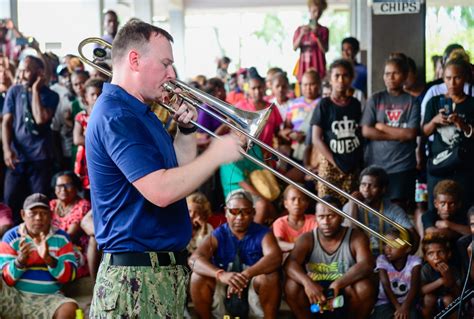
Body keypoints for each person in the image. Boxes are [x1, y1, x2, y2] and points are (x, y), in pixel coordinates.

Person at [86, 19, 241, 318]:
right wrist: (215, 154)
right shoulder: (117, 116)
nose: (172, 74)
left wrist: (185, 133)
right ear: (134, 60)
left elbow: (177, 174)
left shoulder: (140, 111)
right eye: (165, 63)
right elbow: (161, 191)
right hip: (136, 279)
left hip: (155, 274)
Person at [189, 189, 282, 319]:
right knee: (197, 277)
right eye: (234, 211)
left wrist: (245, 275)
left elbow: (275, 258)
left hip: (251, 284)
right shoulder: (218, 234)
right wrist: (220, 274)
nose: (239, 217)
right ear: (226, 212)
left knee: (271, 276)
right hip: (224, 284)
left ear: (253, 212)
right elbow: (194, 260)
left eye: (246, 211)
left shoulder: (263, 233)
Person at [284, 195, 376, 319]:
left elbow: (367, 264)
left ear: (342, 217)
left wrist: (338, 284)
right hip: (316, 291)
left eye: (331, 216)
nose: (326, 222)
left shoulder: (356, 237)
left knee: (364, 287)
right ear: (315, 218)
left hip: (345, 290)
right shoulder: (307, 238)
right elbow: (290, 263)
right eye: (321, 217)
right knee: (291, 286)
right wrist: (308, 283)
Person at [0, 193, 78, 318]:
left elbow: (71, 276)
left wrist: (48, 259)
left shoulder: (61, 238)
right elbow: (6, 279)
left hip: (49, 299)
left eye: (44, 213)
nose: (38, 218)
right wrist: (20, 261)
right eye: (33, 213)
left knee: (69, 309)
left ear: (51, 215)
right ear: (23, 215)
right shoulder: (11, 237)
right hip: (15, 297)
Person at [2, 55, 59, 223]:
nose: (21, 74)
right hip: (17, 156)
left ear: (39, 72)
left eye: (26, 71)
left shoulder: (51, 95)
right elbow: (6, 122)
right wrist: (7, 149)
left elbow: (40, 118)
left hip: (40, 157)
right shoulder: (14, 91)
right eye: (20, 70)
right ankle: (11, 243)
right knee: (11, 200)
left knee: (37, 202)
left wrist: (34, 90)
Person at [361, 54, 420, 211]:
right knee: (374, 210)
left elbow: (410, 134)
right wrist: (398, 135)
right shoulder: (375, 99)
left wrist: (382, 127)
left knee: (401, 211)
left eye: (395, 73)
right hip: (376, 164)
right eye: (387, 73)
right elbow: (366, 131)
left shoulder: (412, 101)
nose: (390, 77)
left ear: (405, 76)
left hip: (403, 165)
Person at [422, 56, 474, 211]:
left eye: (457, 78)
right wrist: (435, 121)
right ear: (442, 78)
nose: (452, 83)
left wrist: (462, 124)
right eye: (448, 78)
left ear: (464, 78)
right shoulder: (434, 101)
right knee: (436, 207)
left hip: (464, 163)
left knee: (464, 207)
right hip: (439, 162)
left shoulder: (471, 103)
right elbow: (424, 131)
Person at [310, 59, 363, 204]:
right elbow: (316, 138)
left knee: (351, 209)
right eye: (337, 76)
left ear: (351, 78)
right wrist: (335, 162)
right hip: (330, 166)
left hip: (351, 166)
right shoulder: (324, 104)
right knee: (327, 207)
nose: (341, 80)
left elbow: (359, 133)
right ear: (330, 79)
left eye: (345, 76)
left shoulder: (355, 104)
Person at [343, 166, 419, 257]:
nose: (366, 189)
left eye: (372, 186)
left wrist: (407, 259)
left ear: (383, 189)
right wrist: (352, 203)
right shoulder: (351, 206)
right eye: (363, 185)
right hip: (361, 258)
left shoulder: (393, 209)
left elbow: (414, 235)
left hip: (387, 258)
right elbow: (348, 235)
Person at [371, 228, 422, 319]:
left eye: (394, 245)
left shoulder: (414, 261)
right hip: (385, 302)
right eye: (386, 244)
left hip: (408, 302)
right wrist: (399, 308)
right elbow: (386, 285)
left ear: (407, 248)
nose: (387, 249)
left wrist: (404, 307)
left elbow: (414, 286)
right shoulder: (382, 259)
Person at [50, 171, 92, 278]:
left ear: (76, 187)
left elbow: (69, 236)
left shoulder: (83, 205)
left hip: (74, 248)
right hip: (52, 245)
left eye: (68, 185)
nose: (63, 190)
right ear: (55, 189)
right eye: (59, 186)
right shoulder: (52, 204)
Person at [73, 78, 104, 193]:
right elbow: (77, 139)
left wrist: (88, 137)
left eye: (99, 94)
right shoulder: (81, 116)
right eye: (92, 94)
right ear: (86, 97)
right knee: (85, 189)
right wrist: (99, 142)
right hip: (85, 157)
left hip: (100, 156)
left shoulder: (106, 116)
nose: (96, 97)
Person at [421, 235, 461, 318]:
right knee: (429, 299)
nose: (436, 257)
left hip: (450, 297)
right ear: (425, 257)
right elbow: (421, 291)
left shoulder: (453, 268)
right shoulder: (426, 269)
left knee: (448, 300)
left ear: (448, 254)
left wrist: (448, 277)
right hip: (431, 300)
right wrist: (441, 280)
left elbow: (458, 293)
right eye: (430, 254)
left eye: (441, 252)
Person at [273, 184, 315, 255]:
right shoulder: (280, 222)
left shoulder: (314, 220)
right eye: (293, 199)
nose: (297, 203)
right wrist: (299, 247)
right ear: (285, 203)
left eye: (301, 199)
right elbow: (279, 244)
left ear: (307, 204)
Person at [293, 0, 329, 82]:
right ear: (309, 10)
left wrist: (317, 36)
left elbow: (325, 50)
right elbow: (294, 47)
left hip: (319, 69)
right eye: (314, 11)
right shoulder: (300, 29)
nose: (316, 14)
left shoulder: (324, 30)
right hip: (304, 69)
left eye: (320, 12)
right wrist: (301, 34)